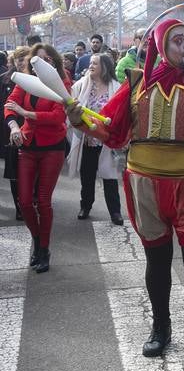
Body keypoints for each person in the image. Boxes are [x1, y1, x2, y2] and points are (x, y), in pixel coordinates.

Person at [66, 19, 184, 359]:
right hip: (145, 186)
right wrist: (80, 119)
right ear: (162, 47)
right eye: (178, 40)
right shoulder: (137, 83)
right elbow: (112, 129)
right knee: (157, 260)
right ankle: (161, 327)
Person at [4, 43, 71, 273]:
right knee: (24, 202)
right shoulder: (25, 81)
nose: (41, 64)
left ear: (54, 62)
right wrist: (14, 126)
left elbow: (57, 116)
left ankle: (44, 249)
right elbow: (9, 105)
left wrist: (25, 113)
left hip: (53, 147)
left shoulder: (62, 83)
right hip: (28, 144)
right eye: (37, 60)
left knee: (43, 201)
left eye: (47, 59)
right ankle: (37, 239)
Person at [67, 53, 123, 225]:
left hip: (107, 141)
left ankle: (115, 212)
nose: (90, 66)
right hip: (87, 140)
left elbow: (121, 113)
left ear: (104, 67)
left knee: (110, 178)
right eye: (90, 63)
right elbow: (70, 106)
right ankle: (85, 206)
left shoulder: (116, 87)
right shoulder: (80, 85)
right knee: (87, 177)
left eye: (95, 63)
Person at [2, 46, 30, 219]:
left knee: (32, 172)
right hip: (11, 131)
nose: (22, 63)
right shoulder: (5, 80)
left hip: (32, 131)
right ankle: (19, 207)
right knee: (15, 173)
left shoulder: (36, 80)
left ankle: (31, 201)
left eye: (26, 59)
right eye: (19, 59)